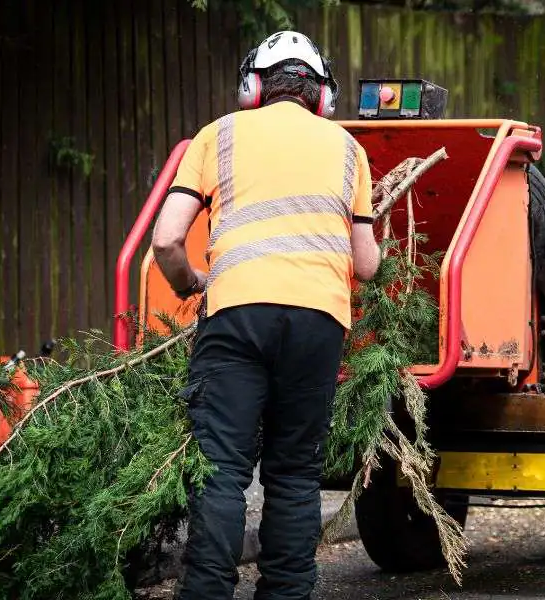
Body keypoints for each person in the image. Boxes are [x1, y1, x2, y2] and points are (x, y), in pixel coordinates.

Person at [149, 30, 380, 600]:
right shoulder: (349, 148)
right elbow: (368, 265)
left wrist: (191, 283)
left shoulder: (218, 135)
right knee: (295, 474)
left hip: (236, 316)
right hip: (318, 323)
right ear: (322, 95)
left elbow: (166, 239)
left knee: (223, 469)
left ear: (253, 86)